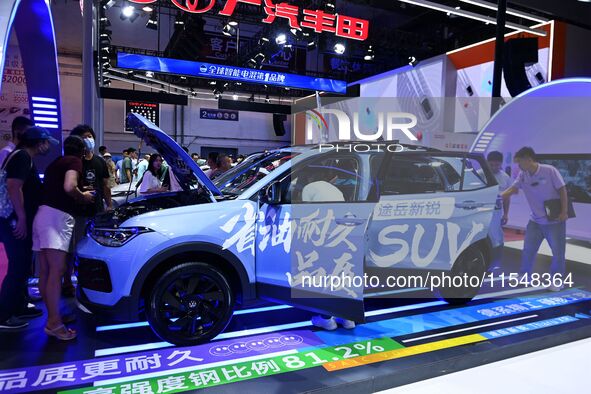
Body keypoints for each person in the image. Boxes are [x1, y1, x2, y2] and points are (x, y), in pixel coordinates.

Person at [33, 136, 94, 340]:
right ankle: (54, 324)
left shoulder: (54, 164)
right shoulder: (74, 161)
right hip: (57, 217)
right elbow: (69, 187)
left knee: (45, 271)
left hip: (41, 215)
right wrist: (83, 196)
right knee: (57, 270)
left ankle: (54, 316)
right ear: (82, 151)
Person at [0, 126, 57, 330]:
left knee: (22, 267)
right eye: (46, 142)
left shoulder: (20, 155)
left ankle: (18, 306)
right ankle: (4, 315)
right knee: (18, 266)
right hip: (14, 221)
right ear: (38, 142)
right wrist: (22, 217)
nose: (48, 146)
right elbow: (14, 186)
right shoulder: (23, 156)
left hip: (13, 219)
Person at [501, 147, 569, 291]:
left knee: (558, 252)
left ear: (528, 159)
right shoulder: (523, 174)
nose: (518, 165)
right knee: (528, 250)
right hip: (535, 220)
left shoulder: (549, 170)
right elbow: (514, 189)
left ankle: (557, 280)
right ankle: (524, 275)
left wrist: (564, 211)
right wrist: (499, 196)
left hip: (554, 220)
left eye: (519, 162)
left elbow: (562, 190)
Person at [300, 168, 355, 330]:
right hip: (342, 233)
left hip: (322, 233)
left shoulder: (308, 188)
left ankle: (326, 319)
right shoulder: (335, 189)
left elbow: (306, 213)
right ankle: (347, 317)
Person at [66, 125, 112, 297]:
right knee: (72, 249)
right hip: (76, 212)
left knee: (95, 249)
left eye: (90, 136)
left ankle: (92, 282)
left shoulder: (100, 162)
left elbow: (106, 185)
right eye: (84, 137)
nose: (88, 139)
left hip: (96, 212)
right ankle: (67, 282)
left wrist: (109, 205)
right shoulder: (73, 161)